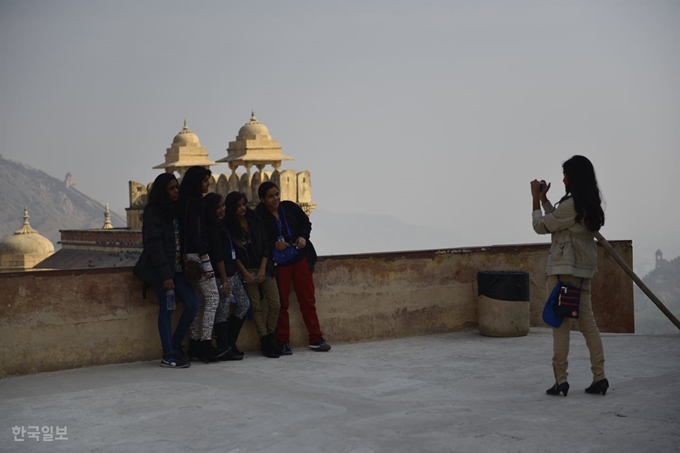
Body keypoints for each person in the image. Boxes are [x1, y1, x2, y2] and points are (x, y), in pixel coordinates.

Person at [531, 155, 608, 396]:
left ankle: (561, 380)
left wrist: (534, 199)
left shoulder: (571, 205)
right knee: (588, 324)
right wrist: (545, 201)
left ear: (573, 177)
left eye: (565, 174)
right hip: (583, 273)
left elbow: (542, 226)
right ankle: (600, 377)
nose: (563, 179)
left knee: (560, 325)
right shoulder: (589, 204)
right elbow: (560, 220)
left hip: (563, 272)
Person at [256, 181, 331, 354]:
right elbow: (259, 240)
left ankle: (316, 337)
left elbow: (306, 223)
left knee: (307, 299)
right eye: (270, 196)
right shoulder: (259, 218)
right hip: (279, 263)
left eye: (276, 194)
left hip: (299, 257)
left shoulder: (289, 207)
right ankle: (283, 340)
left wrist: (302, 237)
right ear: (262, 199)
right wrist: (274, 243)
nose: (275, 199)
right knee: (281, 303)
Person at [134, 173, 199, 368]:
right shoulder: (154, 212)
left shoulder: (174, 210)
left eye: (177, 187)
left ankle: (176, 344)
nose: (176, 191)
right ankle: (168, 353)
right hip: (164, 273)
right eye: (172, 188)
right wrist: (166, 275)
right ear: (163, 191)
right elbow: (154, 246)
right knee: (167, 309)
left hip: (178, 270)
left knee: (193, 303)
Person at [177, 166, 228, 363]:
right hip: (198, 256)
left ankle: (196, 344)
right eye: (205, 181)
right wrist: (204, 257)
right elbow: (196, 233)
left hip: (188, 257)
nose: (208, 185)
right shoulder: (195, 203)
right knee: (213, 297)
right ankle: (206, 344)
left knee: (198, 300)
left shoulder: (184, 202)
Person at [224, 191, 281, 358]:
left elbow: (265, 245)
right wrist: (245, 273)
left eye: (244, 204)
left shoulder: (256, 220)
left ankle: (269, 336)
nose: (242, 208)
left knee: (275, 304)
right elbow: (233, 254)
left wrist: (263, 268)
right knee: (255, 307)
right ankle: (265, 341)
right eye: (238, 206)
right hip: (247, 271)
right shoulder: (229, 227)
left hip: (264, 267)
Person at [204, 192, 250, 361]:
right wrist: (224, 280)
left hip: (232, 273)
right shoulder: (212, 228)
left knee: (244, 303)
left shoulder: (220, 225)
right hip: (221, 276)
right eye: (219, 206)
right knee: (222, 310)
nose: (222, 209)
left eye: (223, 205)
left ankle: (229, 342)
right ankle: (224, 346)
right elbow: (217, 255)